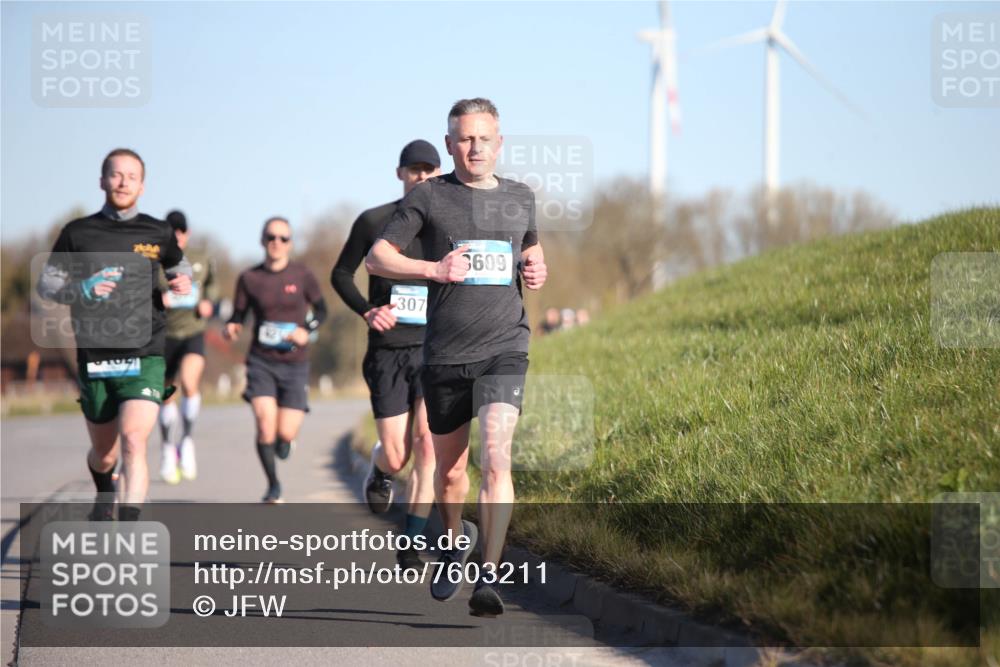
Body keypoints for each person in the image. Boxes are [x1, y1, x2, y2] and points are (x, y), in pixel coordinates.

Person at [367, 98, 547, 616]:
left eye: (483, 138)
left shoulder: (520, 197)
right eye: (464, 139)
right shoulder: (429, 196)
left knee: (496, 453)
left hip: (505, 347)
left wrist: (536, 269)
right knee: (449, 474)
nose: (475, 147)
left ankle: (488, 575)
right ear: (450, 145)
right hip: (445, 354)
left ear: (499, 142)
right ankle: (452, 538)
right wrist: (433, 271)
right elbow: (379, 255)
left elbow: (530, 248)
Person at [36, 148, 192, 521]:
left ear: (143, 184)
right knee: (104, 455)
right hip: (96, 354)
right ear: (102, 180)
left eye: (131, 176)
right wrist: (82, 288)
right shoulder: (77, 233)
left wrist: (181, 279)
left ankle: (128, 532)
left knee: (134, 442)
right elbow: (47, 285)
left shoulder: (158, 231)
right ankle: (105, 488)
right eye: (116, 175)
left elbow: (179, 266)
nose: (123, 183)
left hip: (146, 352)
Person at [331, 140, 441, 571]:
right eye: (414, 170)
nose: (422, 177)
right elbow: (341, 273)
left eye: (429, 170)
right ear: (400, 174)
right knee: (398, 456)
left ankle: (411, 542)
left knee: (427, 445)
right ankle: (379, 470)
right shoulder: (374, 220)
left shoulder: (443, 227)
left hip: (434, 350)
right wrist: (367, 309)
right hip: (388, 353)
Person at [225, 217, 327, 503]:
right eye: (271, 237)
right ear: (262, 240)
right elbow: (238, 314)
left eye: (283, 238)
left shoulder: (303, 275)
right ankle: (273, 485)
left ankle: (285, 442)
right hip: (261, 361)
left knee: (285, 431)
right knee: (264, 422)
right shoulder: (249, 278)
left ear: (290, 243)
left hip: (295, 363)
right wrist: (232, 326)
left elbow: (322, 311)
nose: (276, 242)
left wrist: (307, 330)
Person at [158, 210, 218, 484]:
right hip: (164, 334)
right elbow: (141, 293)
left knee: (190, 382)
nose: (177, 236)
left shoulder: (201, 260)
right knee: (166, 392)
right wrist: (159, 300)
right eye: (171, 231)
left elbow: (212, 290)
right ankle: (168, 447)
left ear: (187, 233)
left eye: (180, 231)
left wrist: (209, 304)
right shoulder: (154, 262)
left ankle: (187, 441)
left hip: (193, 332)